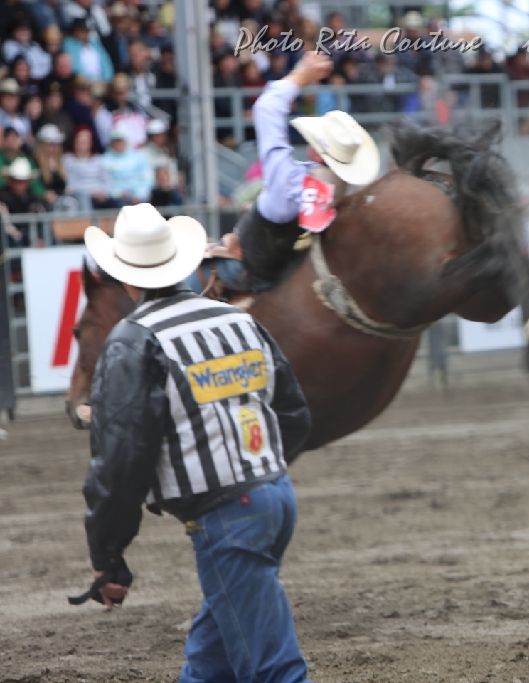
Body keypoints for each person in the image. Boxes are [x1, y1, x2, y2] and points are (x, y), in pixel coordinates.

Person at [75, 202, 314, 683]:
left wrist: (108, 556)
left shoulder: (134, 340)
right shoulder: (238, 319)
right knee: (211, 661)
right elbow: (294, 415)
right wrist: (256, 472)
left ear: (127, 278)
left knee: (272, 668)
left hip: (226, 513)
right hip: (275, 496)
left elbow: (121, 460)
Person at [186, 51, 380, 296]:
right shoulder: (339, 191)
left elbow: (267, 108)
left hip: (249, 267)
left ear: (316, 152)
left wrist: (301, 75)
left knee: (185, 281)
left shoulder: (290, 180)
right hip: (288, 274)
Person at [64, 124, 110, 209]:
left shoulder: (98, 159)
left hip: (100, 196)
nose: (83, 144)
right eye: (80, 141)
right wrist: (91, 193)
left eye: (86, 141)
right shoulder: (68, 160)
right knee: (84, 199)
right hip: (79, 196)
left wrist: (104, 193)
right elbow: (70, 184)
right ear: (74, 142)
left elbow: (106, 180)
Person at [102, 126, 152, 204]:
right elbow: (103, 182)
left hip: (139, 197)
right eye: (116, 141)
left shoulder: (139, 157)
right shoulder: (104, 160)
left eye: (121, 141)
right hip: (115, 199)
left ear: (126, 141)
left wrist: (139, 194)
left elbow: (146, 178)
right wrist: (117, 193)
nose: (119, 144)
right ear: (111, 143)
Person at [34, 123, 66, 203]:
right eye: (48, 144)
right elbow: (34, 183)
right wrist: (43, 193)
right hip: (43, 201)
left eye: (54, 144)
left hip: (60, 200)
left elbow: (63, 184)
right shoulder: (35, 161)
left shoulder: (61, 161)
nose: (52, 148)